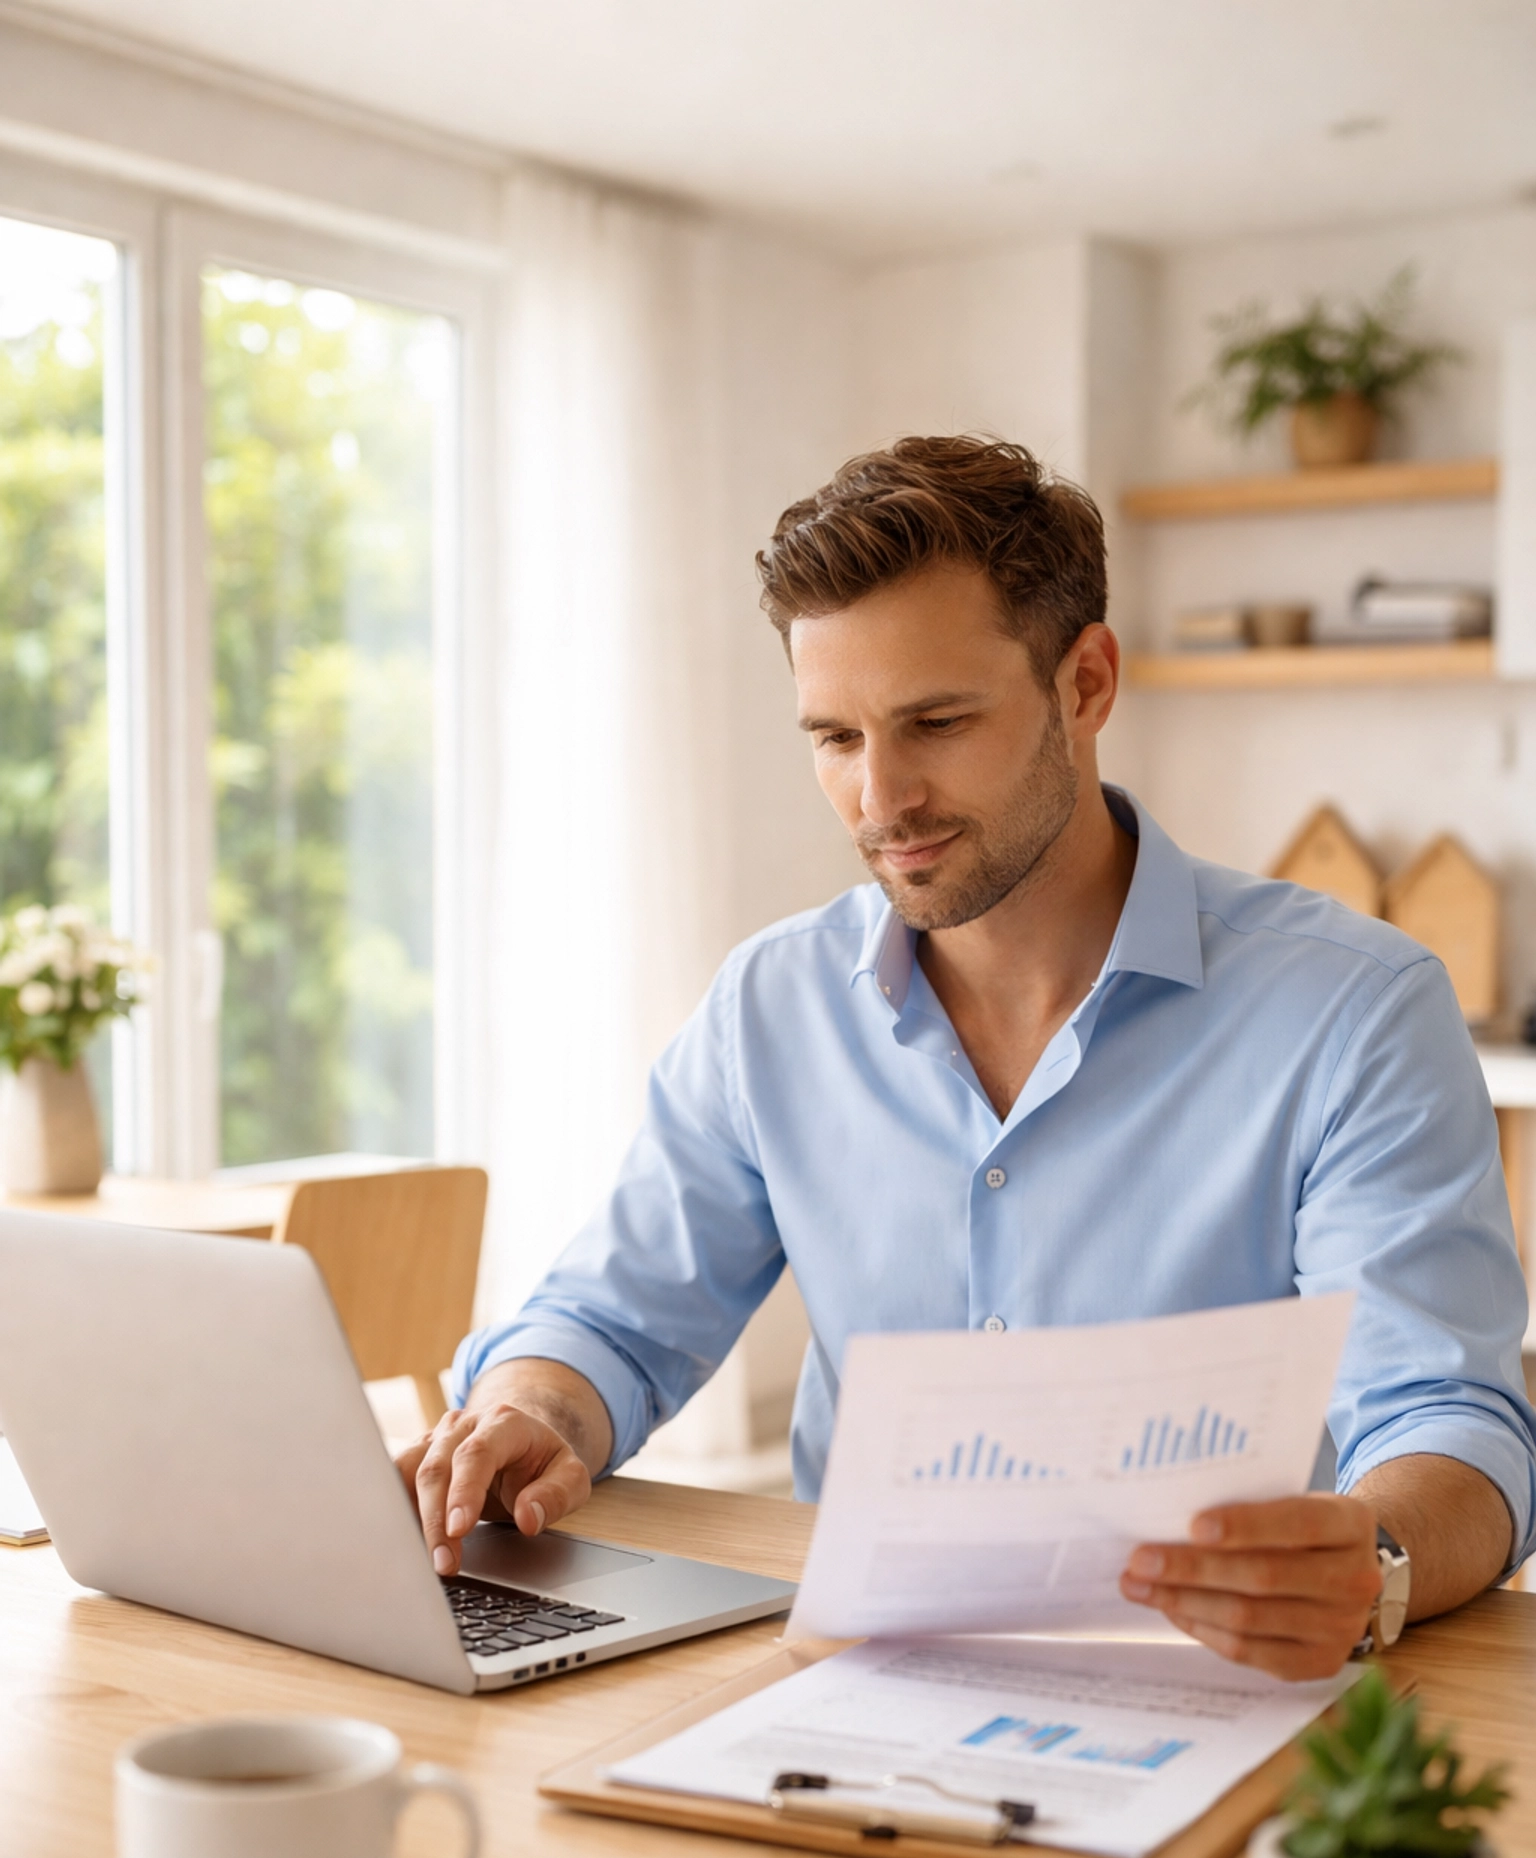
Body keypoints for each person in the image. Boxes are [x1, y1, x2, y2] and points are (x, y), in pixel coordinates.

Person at [401, 435, 1536, 1681]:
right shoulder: (771, 1005)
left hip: (1224, 1682)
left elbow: (1450, 1424)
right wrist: (529, 1413)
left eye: (935, 722)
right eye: (834, 737)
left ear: (1087, 682)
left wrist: (1373, 1560)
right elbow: (609, 1318)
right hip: (861, 1675)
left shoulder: (1352, 1012)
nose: (880, 799)